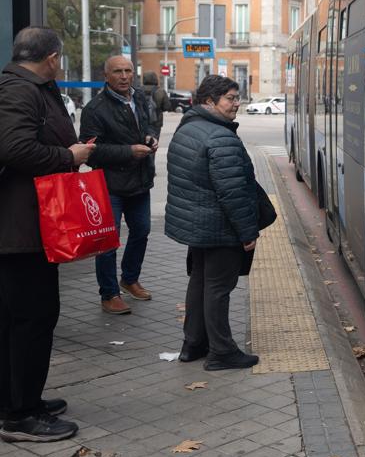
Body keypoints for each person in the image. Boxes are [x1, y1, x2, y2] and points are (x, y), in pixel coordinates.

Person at [0, 27, 95, 442]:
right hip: (19, 233)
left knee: (20, 320)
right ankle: (21, 415)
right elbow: (16, 149)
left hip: (25, 228)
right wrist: (68, 156)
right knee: (31, 319)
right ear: (52, 57)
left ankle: (20, 399)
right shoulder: (20, 91)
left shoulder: (28, 87)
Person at [165, 75, 260, 371]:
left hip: (197, 223)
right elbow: (233, 192)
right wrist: (247, 233)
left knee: (200, 282)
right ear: (209, 101)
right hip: (219, 227)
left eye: (237, 97)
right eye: (230, 98)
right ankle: (222, 352)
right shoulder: (220, 136)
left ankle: (193, 344)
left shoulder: (188, 128)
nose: (236, 103)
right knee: (218, 288)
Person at [80, 55, 161, 314]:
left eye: (128, 71)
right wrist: (128, 151)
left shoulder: (139, 97)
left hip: (140, 180)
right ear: (106, 76)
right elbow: (90, 151)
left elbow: (148, 124)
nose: (124, 76)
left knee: (142, 231)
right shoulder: (95, 109)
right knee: (107, 242)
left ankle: (129, 278)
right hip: (110, 186)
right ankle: (109, 293)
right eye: (118, 72)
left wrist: (151, 137)